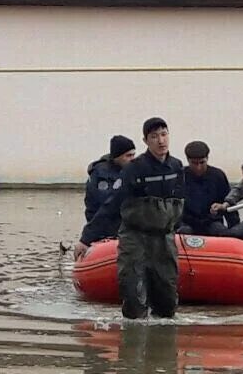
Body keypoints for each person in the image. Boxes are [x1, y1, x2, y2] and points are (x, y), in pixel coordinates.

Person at [74, 118, 185, 319]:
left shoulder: (176, 167)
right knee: (134, 295)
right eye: (154, 136)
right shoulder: (135, 169)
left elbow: (183, 203)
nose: (161, 141)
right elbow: (112, 205)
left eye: (164, 134)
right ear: (146, 140)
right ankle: (132, 341)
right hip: (136, 237)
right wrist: (86, 238)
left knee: (167, 299)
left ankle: (163, 346)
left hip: (164, 238)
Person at [177, 141, 240, 236]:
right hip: (187, 223)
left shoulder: (218, 176)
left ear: (207, 158)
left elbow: (228, 203)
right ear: (188, 160)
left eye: (202, 162)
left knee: (223, 233)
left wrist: (235, 229)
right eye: (194, 163)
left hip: (212, 222)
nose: (198, 167)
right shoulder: (180, 176)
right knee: (182, 234)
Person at [84, 135, 137, 222]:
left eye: (133, 155)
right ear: (117, 157)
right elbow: (108, 203)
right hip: (102, 225)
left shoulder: (128, 170)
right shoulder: (101, 175)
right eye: (128, 156)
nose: (132, 159)